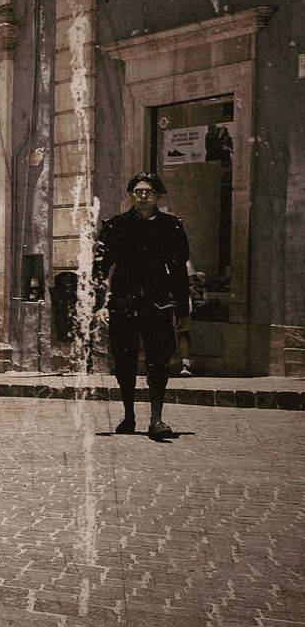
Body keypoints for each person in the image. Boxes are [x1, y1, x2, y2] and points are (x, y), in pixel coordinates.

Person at [95, 172, 191, 439]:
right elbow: (100, 269)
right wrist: (100, 305)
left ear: (157, 195)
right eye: (138, 192)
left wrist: (182, 310)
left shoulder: (172, 227)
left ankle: (156, 419)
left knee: (159, 361)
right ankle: (128, 415)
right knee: (123, 361)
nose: (143, 196)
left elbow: (179, 272)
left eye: (149, 192)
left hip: (158, 303)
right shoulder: (115, 226)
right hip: (123, 303)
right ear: (131, 195)